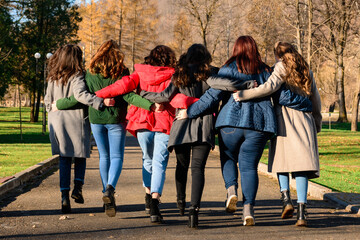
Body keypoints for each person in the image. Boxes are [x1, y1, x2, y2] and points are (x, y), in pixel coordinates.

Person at [176, 36, 277, 226]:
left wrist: (189, 112)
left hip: (231, 122)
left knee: (228, 157)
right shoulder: (265, 70)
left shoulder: (229, 69)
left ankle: (231, 190)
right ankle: (248, 210)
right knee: (249, 167)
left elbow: (211, 97)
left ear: (236, 49)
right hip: (258, 125)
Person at [53, 40, 157, 217]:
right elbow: (129, 96)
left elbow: (80, 97)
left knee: (104, 156)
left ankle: (104, 192)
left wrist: (60, 104)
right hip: (116, 119)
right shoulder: (122, 71)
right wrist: (150, 105)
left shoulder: (90, 73)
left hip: (96, 119)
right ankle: (110, 189)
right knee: (116, 156)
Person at [232, 41, 322, 227]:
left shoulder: (280, 67)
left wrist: (243, 94)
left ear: (277, 55)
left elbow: (269, 87)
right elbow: (316, 100)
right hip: (305, 121)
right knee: (302, 167)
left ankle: (286, 199)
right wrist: (317, 123)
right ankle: (302, 214)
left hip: (285, 120)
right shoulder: (306, 69)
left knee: (282, 161)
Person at [95, 45, 178, 223]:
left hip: (142, 120)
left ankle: (148, 195)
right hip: (165, 121)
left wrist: (96, 95)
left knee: (147, 159)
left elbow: (121, 86)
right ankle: (155, 200)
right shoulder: (173, 75)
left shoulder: (140, 73)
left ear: (150, 57)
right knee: (160, 162)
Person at [44, 44, 108, 214]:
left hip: (57, 122)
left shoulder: (52, 77)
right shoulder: (77, 75)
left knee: (64, 159)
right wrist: (98, 102)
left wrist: (53, 110)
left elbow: (47, 101)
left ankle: (64, 196)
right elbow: (80, 96)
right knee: (80, 156)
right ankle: (77, 188)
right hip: (76, 121)